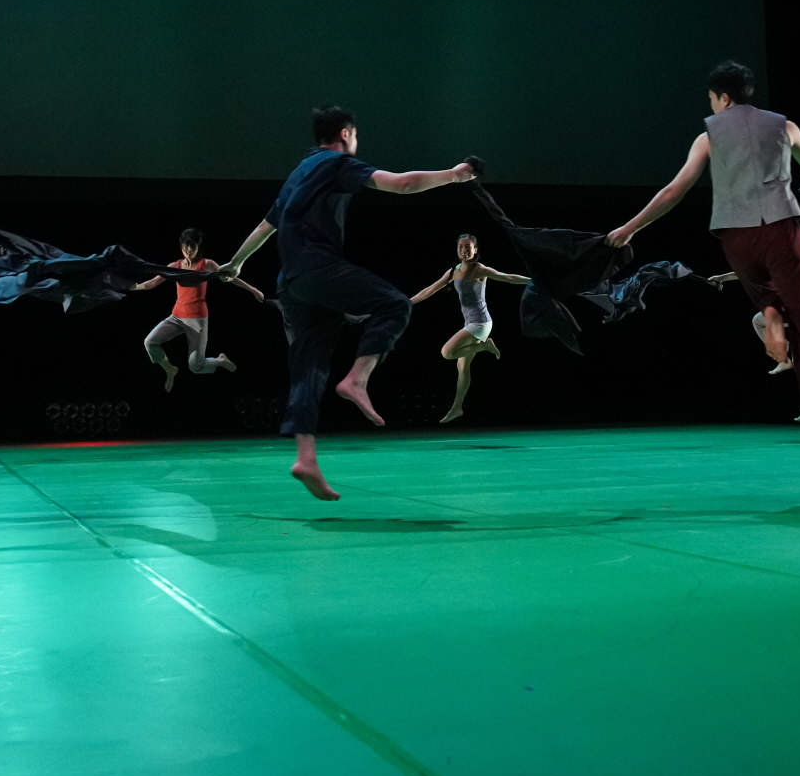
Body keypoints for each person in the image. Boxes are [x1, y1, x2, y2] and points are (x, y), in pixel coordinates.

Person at [218, 107, 478, 500]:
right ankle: (357, 378)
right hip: (318, 269)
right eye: (355, 136)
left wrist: (236, 263)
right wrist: (456, 175)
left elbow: (265, 226)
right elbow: (403, 184)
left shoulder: (298, 172)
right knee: (394, 305)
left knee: (308, 367)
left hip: (291, 283)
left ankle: (306, 458)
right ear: (345, 133)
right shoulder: (337, 163)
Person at [609, 61, 800, 458]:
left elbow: (674, 190)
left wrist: (631, 227)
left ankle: (770, 313)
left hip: (735, 236)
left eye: (712, 99)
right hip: (780, 228)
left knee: (765, 292)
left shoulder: (708, 135)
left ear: (723, 98)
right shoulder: (786, 126)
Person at [407, 233, 529, 422]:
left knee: (447, 353)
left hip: (480, 323)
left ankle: (485, 345)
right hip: (469, 323)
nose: (464, 250)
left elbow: (508, 277)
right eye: (461, 246)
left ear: (475, 250)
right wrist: (407, 303)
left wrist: (534, 280)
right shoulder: (453, 271)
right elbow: (430, 289)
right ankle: (457, 408)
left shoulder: (480, 270)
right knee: (462, 366)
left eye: (468, 247)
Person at [130, 228, 266, 391]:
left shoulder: (207, 264)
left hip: (197, 320)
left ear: (198, 247)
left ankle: (219, 361)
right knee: (150, 342)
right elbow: (152, 283)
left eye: (192, 247)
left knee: (195, 367)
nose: (189, 251)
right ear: (181, 246)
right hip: (176, 317)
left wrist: (253, 290)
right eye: (185, 247)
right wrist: (136, 287)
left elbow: (231, 277)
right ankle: (170, 369)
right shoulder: (175, 266)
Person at [707, 254, 800, 375]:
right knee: (758, 321)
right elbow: (744, 275)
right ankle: (784, 359)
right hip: (787, 308)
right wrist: (721, 278)